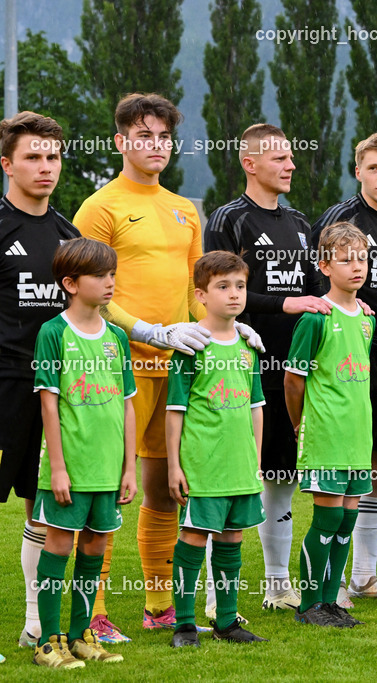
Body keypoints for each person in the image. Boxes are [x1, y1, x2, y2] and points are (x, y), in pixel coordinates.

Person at [75, 93, 262, 638]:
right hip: (116, 365)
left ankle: (158, 606)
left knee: (163, 490)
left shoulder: (185, 208)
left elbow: (195, 291)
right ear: (121, 142)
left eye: (163, 137)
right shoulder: (99, 206)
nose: (155, 146)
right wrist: (146, 331)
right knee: (106, 488)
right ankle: (97, 612)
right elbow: (94, 293)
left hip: (174, 368)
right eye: (144, 136)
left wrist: (219, 332)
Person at [204, 123, 332, 613]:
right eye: (279, 158)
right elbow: (219, 287)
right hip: (239, 370)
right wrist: (287, 304)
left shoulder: (301, 223)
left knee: (281, 476)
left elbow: (313, 295)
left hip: (289, 373)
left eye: (292, 157)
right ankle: (216, 596)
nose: (291, 165)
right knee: (233, 479)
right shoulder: (229, 219)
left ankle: (278, 584)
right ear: (250, 163)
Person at [311, 131, 377, 602]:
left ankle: (364, 575)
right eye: (373, 168)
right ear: (358, 172)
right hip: (352, 358)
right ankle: (329, 584)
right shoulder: (342, 220)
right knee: (352, 467)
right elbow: (316, 284)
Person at [31, 238, 136, 667]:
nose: (109, 282)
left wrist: (129, 468)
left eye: (112, 273)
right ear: (71, 284)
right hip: (70, 468)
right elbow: (49, 403)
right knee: (58, 546)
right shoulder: (53, 333)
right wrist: (57, 467)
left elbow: (128, 403)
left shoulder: (116, 337)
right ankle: (47, 642)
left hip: (109, 469)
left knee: (94, 549)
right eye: (100, 275)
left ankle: (80, 636)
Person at [0, 112, 80, 652]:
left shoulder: (67, 235)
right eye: (33, 156)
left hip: (52, 392)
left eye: (52, 156)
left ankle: (35, 620)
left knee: (44, 504)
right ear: (7, 163)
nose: (45, 167)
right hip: (1, 384)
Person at [166, 251, 267, 648]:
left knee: (231, 540)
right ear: (201, 295)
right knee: (193, 539)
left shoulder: (249, 343)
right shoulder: (190, 345)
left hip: (240, 465)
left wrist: (255, 461)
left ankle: (227, 621)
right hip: (201, 464)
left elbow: (257, 408)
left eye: (240, 286)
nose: (234, 294)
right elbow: (174, 412)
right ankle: (185, 625)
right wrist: (175, 466)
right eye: (223, 286)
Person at [285, 223, 373, 629]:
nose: (357, 267)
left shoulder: (367, 318)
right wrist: (301, 424)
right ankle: (309, 604)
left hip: (357, 438)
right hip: (325, 436)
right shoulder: (316, 317)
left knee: (346, 521)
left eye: (363, 258)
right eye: (346, 259)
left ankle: (331, 598)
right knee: (326, 519)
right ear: (324, 265)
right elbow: (293, 379)